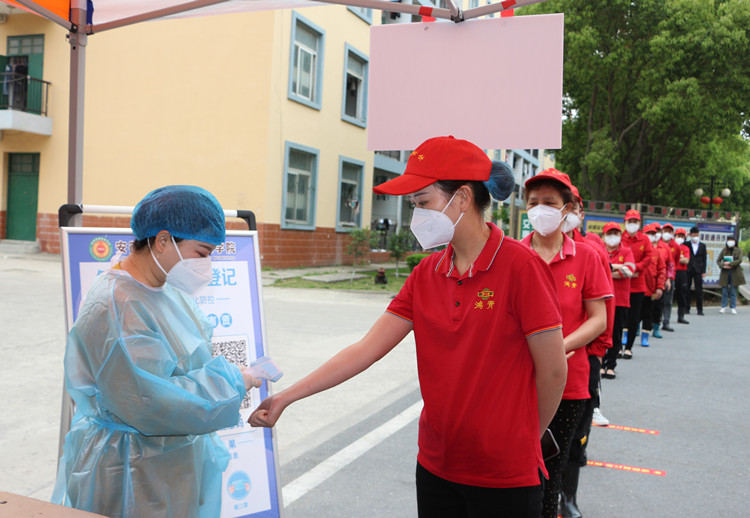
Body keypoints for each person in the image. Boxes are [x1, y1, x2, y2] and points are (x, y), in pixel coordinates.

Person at [250, 136, 568, 517]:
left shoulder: (521, 267)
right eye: (413, 205)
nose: (416, 215)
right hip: (437, 467)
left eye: (422, 203)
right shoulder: (426, 274)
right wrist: (287, 396)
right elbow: (365, 350)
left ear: (463, 198)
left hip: (504, 477)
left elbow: (552, 371)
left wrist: (523, 440)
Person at [53, 185, 262, 518]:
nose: (208, 264)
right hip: (131, 470)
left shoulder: (164, 289)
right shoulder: (118, 304)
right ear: (163, 241)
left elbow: (190, 363)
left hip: (170, 461)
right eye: (203, 252)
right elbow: (152, 399)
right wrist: (235, 381)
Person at [520, 168, 611, 518]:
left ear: (567, 208)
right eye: (533, 203)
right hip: (519, 380)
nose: (539, 209)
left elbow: (598, 319)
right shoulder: (515, 254)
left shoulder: (586, 257)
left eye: (549, 202)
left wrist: (558, 348)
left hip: (569, 383)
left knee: (551, 472)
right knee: (518, 469)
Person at [559, 184, 615, 517]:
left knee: (575, 433)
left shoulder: (591, 250)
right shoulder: (524, 250)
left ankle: (568, 497)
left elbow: (602, 310)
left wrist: (596, 351)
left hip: (581, 359)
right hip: (533, 363)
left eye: (568, 205)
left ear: (578, 210)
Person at [600, 222, 635, 380]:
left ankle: (611, 364)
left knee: (616, 333)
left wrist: (606, 269)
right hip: (601, 298)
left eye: (616, 233)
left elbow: (629, 271)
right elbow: (595, 269)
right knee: (599, 332)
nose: (613, 236)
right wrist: (616, 267)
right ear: (604, 235)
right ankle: (600, 363)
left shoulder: (626, 250)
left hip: (620, 299)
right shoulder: (599, 250)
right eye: (609, 233)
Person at [621, 210, 653, 359]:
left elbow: (648, 257)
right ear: (625, 222)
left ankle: (628, 347)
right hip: (621, 282)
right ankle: (617, 345)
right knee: (620, 316)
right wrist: (624, 269)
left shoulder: (644, 239)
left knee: (634, 316)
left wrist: (636, 268)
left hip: (638, 283)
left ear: (640, 223)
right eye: (630, 221)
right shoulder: (620, 238)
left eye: (635, 221)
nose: (632, 224)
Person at [640, 224, 666, 347]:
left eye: (652, 234)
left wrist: (660, 287)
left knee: (648, 314)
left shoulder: (657, 252)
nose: (649, 236)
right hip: (636, 288)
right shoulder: (636, 249)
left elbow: (662, 270)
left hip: (650, 290)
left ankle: (645, 337)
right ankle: (628, 335)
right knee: (632, 314)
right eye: (647, 233)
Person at [717, 236, 745, 314]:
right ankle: (723, 306)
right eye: (729, 240)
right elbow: (718, 260)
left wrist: (731, 263)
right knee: (724, 290)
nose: (730, 241)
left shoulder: (738, 250)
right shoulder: (724, 250)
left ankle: (733, 307)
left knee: (733, 290)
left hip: (735, 272)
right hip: (725, 272)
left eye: (732, 240)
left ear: (735, 241)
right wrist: (723, 265)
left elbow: (740, 259)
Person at [659, 223, 678, 332]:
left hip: (670, 277)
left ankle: (666, 322)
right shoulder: (658, 244)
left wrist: (669, 278)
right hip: (658, 277)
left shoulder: (675, 246)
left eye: (669, 231)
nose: (667, 233)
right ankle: (656, 321)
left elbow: (674, 262)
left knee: (668, 301)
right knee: (657, 300)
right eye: (665, 231)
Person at [687, 226, 707, 315]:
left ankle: (700, 309)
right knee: (686, 289)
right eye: (694, 235)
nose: (696, 237)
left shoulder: (702, 245)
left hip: (698, 269)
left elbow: (704, 259)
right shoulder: (686, 244)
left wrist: (703, 271)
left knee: (699, 290)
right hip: (688, 268)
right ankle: (686, 308)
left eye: (697, 235)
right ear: (690, 235)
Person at [673, 228, 691, 324]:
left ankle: (681, 316)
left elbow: (686, 261)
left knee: (682, 294)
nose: (680, 238)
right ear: (675, 236)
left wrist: (677, 258)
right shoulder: (671, 246)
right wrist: (680, 258)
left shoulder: (685, 248)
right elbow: (670, 259)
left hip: (682, 273)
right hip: (672, 271)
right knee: (667, 295)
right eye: (678, 236)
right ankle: (661, 317)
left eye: (682, 236)